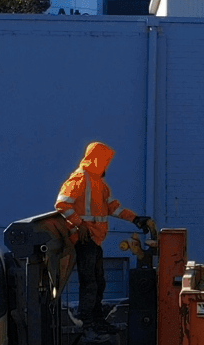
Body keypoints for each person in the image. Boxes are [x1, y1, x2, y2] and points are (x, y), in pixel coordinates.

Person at [55, 142, 155, 332]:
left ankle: (96, 320)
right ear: (95, 160)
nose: (106, 165)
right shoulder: (80, 179)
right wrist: (80, 225)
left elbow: (113, 208)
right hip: (84, 239)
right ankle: (89, 322)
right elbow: (61, 204)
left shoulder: (99, 184)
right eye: (104, 161)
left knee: (98, 282)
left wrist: (135, 219)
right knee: (90, 282)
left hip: (93, 239)